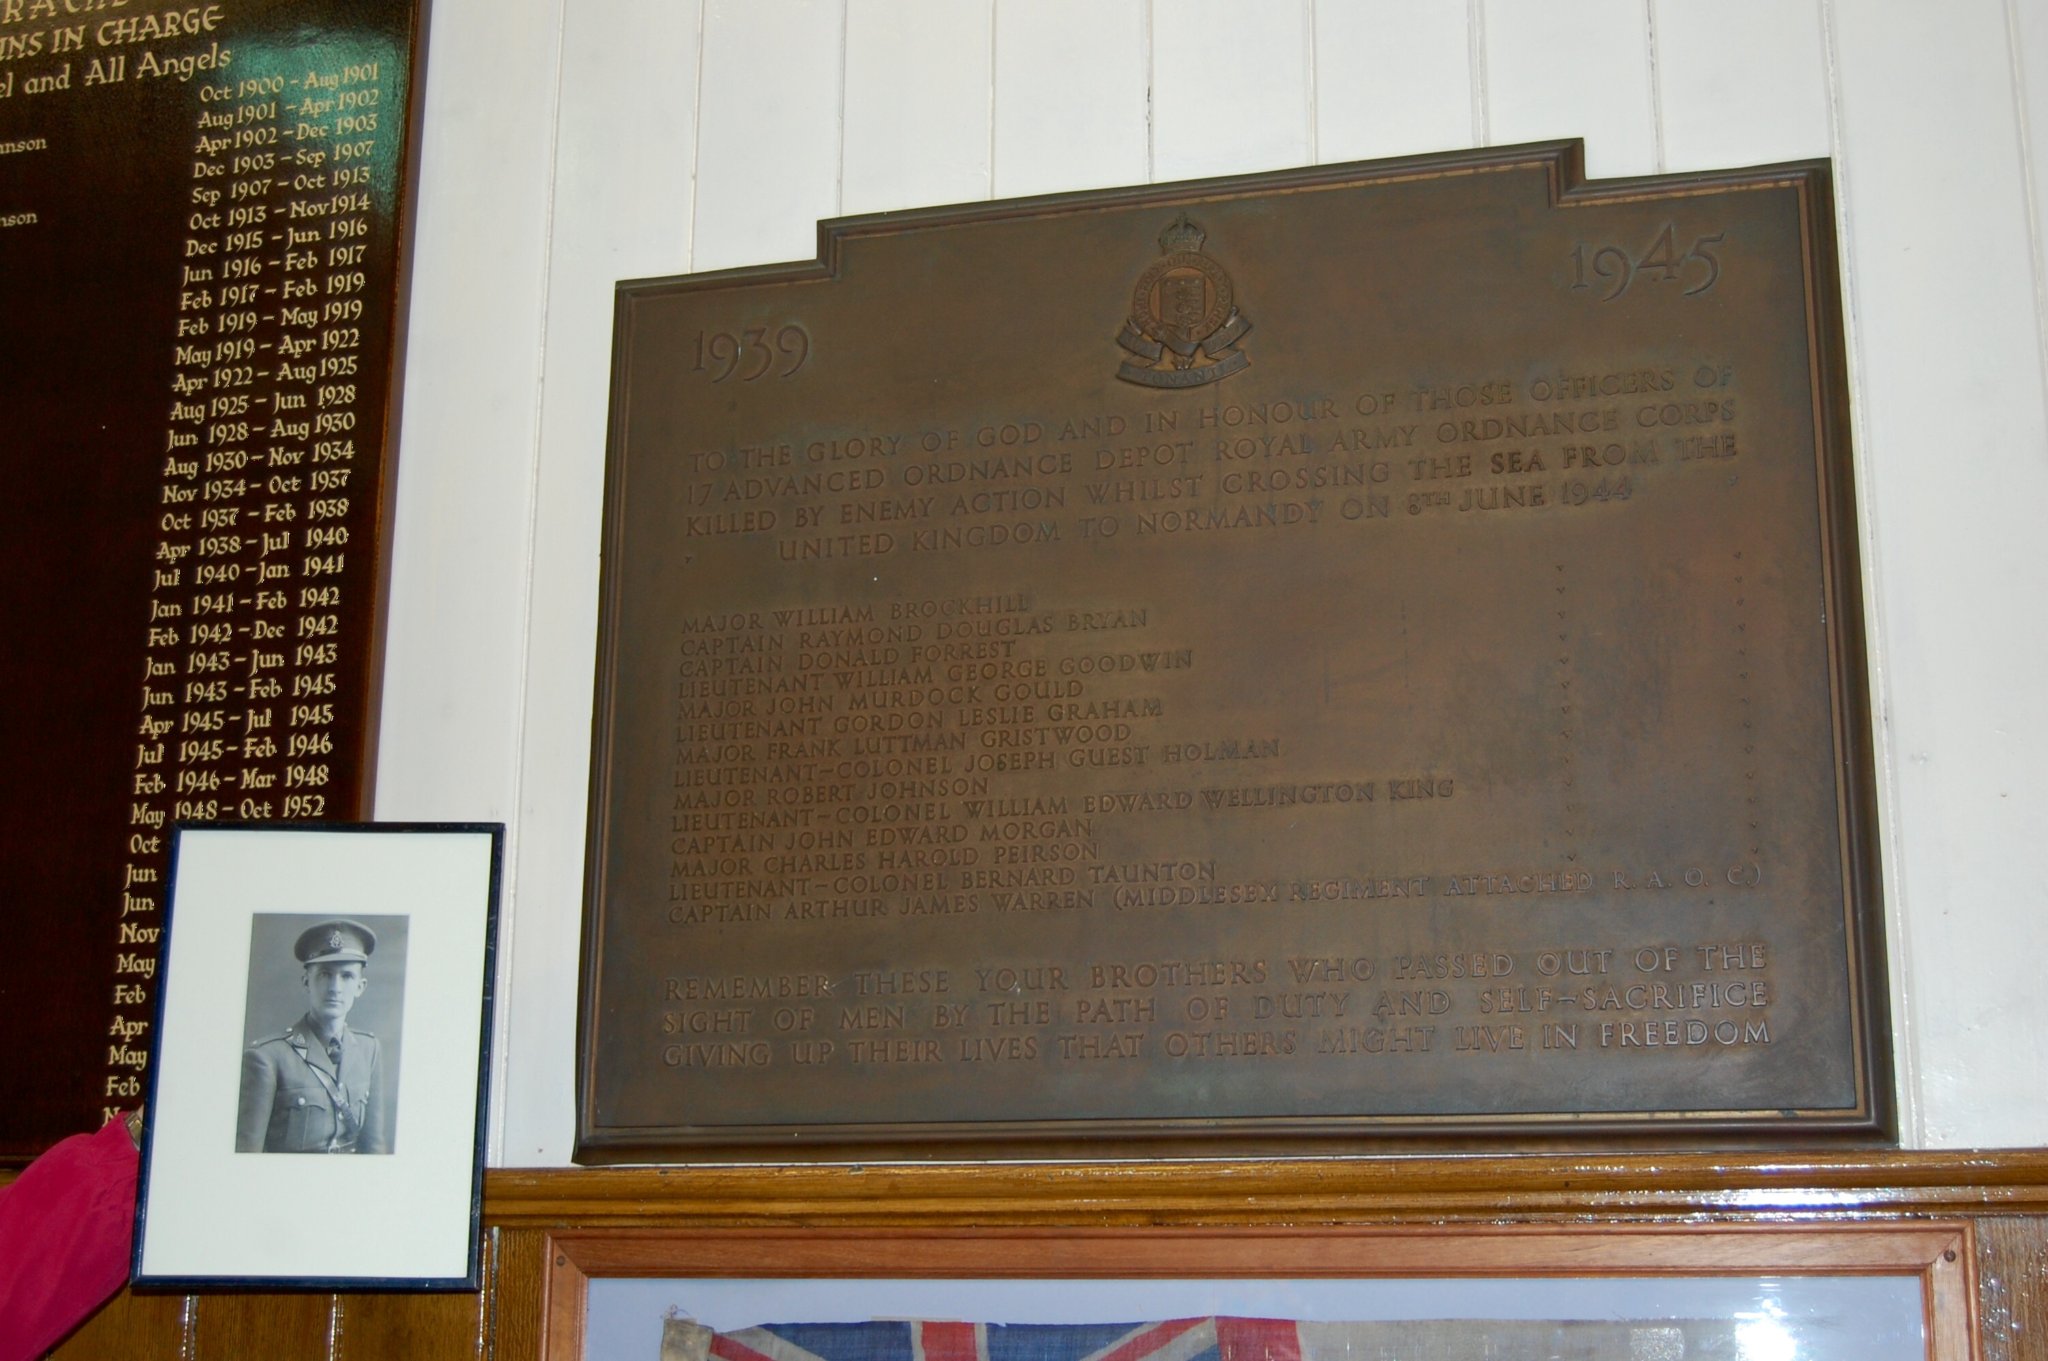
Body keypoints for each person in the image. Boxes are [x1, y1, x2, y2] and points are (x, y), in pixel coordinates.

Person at [235, 918, 388, 1154]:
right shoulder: (267, 1058)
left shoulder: (369, 1050)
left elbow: (375, 1147)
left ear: (360, 987)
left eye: (347, 976)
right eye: (325, 974)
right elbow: (247, 1154)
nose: (335, 987)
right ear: (307, 982)